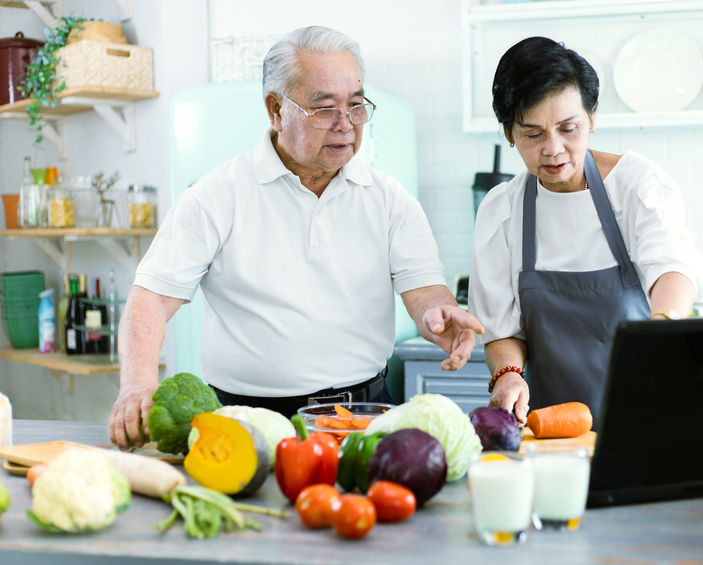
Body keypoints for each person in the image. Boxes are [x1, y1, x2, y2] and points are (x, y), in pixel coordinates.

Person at [109, 26, 483, 449]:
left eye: (356, 106)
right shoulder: (215, 195)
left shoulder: (389, 199)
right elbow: (152, 299)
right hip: (247, 424)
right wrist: (136, 384)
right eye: (324, 109)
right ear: (275, 109)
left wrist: (440, 315)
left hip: (364, 415)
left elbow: (425, 291)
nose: (345, 126)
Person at [468, 36, 703, 425]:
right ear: (508, 133)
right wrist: (508, 375)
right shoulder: (503, 209)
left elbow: (672, 268)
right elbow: (501, 327)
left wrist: (662, 327)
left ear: (593, 118)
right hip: (552, 426)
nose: (553, 149)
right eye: (533, 135)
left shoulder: (636, 185)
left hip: (648, 415)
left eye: (569, 128)